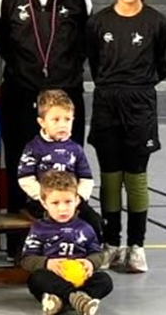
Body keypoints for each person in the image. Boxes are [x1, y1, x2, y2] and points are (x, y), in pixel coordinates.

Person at [0, 0, 92, 252]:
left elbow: (85, 44)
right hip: (21, 94)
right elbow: (4, 45)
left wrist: (62, 77)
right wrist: (29, 77)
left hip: (66, 95)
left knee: (66, 164)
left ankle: (67, 240)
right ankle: (18, 247)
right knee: (21, 163)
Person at [87, 0, 166, 273]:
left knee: (136, 177)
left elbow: (163, 65)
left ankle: (136, 246)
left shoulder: (157, 23)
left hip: (140, 105)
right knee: (110, 177)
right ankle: (112, 244)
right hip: (107, 103)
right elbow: (94, 61)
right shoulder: (98, 23)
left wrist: (138, 85)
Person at [20, 170, 112, 315]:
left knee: (104, 280)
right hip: (54, 280)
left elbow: (98, 253)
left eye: (68, 202)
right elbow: (27, 259)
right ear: (44, 203)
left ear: (76, 200)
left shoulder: (85, 228)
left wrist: (90, 262)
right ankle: (76, 299)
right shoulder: (39, 228)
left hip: (80, 280)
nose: (62, 209)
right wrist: (47, 263)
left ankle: (67, 301)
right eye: (55, 203)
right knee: (36, 279)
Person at [17, 90, 102, 238]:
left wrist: (79, 198)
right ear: (42, 122)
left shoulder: (75, 149)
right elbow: (25, 178)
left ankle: (92, 251)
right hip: (42, 202)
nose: (62, 125)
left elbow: (86, 179)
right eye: (55, 120)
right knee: (50, 224)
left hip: (71, 199)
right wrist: (43, 197)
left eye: (67, 119)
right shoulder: (33, 148)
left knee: (94, 222)